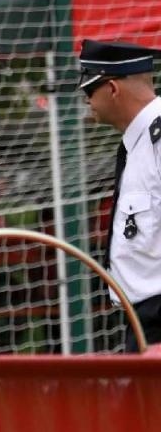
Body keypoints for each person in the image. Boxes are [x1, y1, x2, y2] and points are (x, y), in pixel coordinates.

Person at [77, 39, 161, 349]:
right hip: (142, 317)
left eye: (89, 90)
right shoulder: (138, 142)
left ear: (112, 88)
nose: (86, 100)